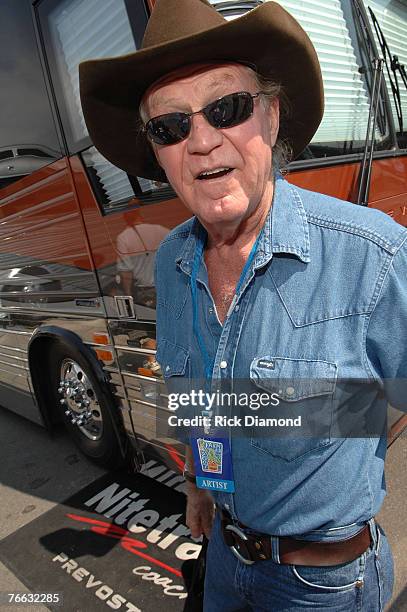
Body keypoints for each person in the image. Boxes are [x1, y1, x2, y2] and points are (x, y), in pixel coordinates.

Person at [79, 1, 407, 609]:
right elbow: (200, 397)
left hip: (324, 586)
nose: (201, 142)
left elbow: (397, 397)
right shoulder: (174, 265)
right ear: (157, 153)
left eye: (226, 108)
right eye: (170, 126)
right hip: (223, 562)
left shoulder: (373, 253)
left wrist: (334, 448)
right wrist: (202, 486)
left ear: (273, 115)